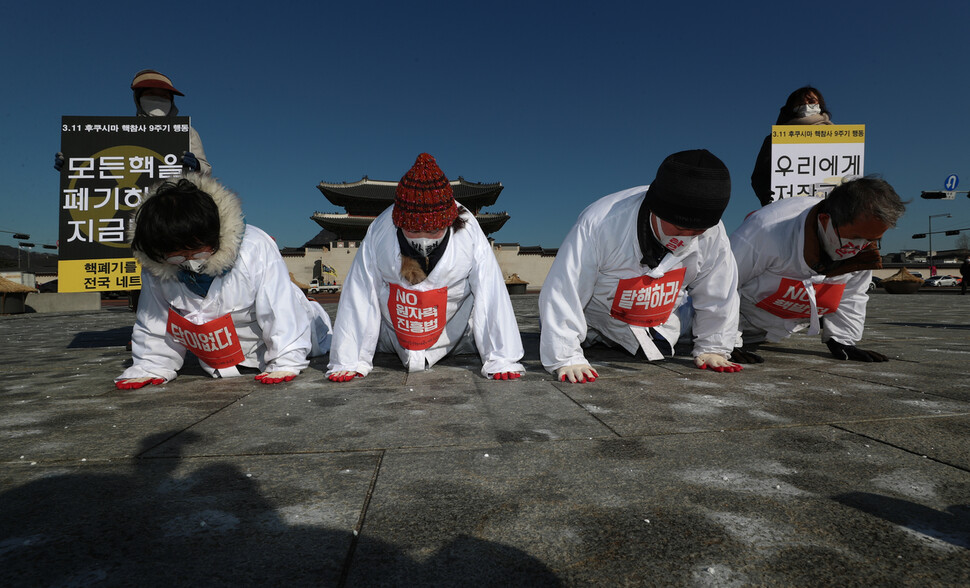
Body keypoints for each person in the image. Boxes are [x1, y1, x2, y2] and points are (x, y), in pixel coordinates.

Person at [539, 149, 744, 384]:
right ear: (656, 208)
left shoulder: (714, 233)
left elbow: (719, 292)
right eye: (678, 229)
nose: (686, 238)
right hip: (595, 315)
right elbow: (566, 288)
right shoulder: (602, 222)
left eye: (697, 232)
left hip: (658, 316)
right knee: (565, 324)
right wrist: (565, 356)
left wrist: (714, 346)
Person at [115, 174, 333, 389]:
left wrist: (285, 361)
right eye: (177, 256)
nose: (189, 262)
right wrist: (151, 366)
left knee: (309, 327)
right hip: (222, 350)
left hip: (288, 323)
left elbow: (279, 309)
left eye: (197, 253)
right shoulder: (157, 264)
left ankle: (312, 307)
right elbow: (155, 319)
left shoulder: (254, 247)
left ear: (214, 235)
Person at [326, 153, 524, 382]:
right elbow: (360, 292)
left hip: (453, 332)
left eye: (432, 232)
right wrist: (349, 359)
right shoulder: (380, 230)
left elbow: (491, 292)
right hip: (394, 333)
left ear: (450, 221)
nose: (423, 238)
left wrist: (502, 357)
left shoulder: (469, 232)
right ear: (398, 222)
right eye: (413, 230)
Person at [730, 177, 906, 363]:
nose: (859, 247)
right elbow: (724, 285)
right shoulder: (766, 230)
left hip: (772, 332)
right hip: (737, 322)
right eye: (855, 237)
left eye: (871, 239)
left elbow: (852, 294)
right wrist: (724, 341)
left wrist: (842, 340)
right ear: (824, 220)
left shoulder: (864, 248)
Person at [55, 69, 210, 174]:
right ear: (138, 99)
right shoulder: (119, 133)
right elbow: (102, 165)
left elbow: (206, 170)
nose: (157, 99)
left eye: (163, 95)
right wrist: (70, 164)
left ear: (171, 100)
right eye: (150, 93)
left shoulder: (187, 132)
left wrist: (196, 165)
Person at [751, 86, 833, 206]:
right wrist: (771, 200)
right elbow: (760, 177)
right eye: (800, 103)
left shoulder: (837, 137)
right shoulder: (776, 139)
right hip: (786, 209)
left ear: (820, 104)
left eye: (811, 101)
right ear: (792, 108)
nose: (806, 105)